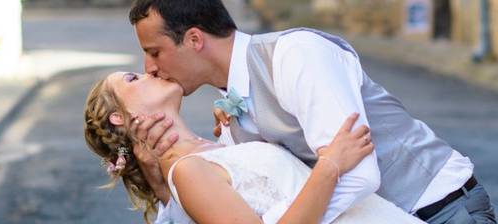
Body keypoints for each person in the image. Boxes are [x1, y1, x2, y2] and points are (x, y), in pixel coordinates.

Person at [127, 0, 497, 224]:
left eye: (155, 51)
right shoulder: (230, 118)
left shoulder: (296, 55)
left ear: (194, 39)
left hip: (441, 210)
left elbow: (359, 174)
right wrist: (155, 178)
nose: (149, 66)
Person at [84, 70, 423, 223]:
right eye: (132, 78)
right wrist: (331, 165)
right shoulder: (187, 171)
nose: (150, 70)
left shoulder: (215, 145)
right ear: (119, 118)